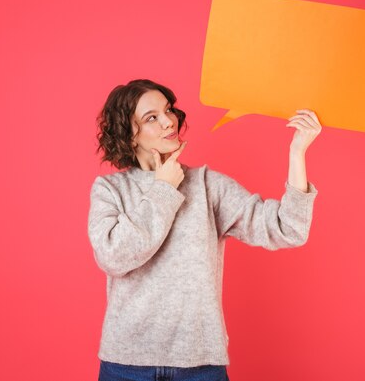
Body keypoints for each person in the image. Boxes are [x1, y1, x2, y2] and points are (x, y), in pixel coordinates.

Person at [88, 79, 321, 381]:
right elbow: (113, 257)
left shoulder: (206, 185)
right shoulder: (110, 189)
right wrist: (163, 188)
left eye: (168, 110)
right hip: (126, 365)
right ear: (129, 135)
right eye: (152, 117)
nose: (169, 121)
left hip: (200, 367)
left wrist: (297, 152)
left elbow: (287, 228)